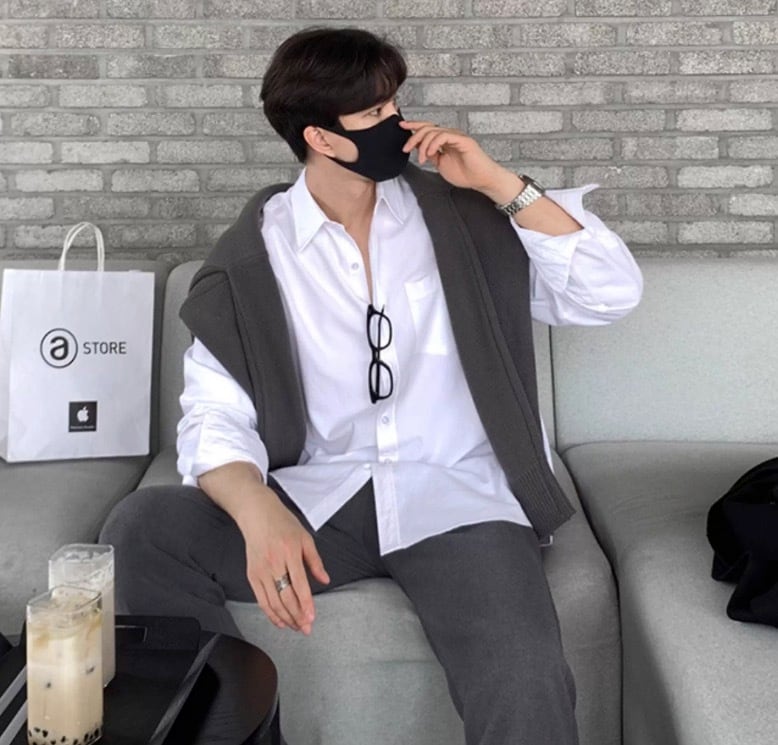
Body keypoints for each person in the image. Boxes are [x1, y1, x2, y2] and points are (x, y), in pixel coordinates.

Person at [101, 27, 642, 745]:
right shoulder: (252, 257)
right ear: (321, 138)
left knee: (523, 674)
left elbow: (610, 294)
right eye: (377, 113)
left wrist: (497, 182)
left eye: (396, 105)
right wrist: (258, 509)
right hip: (323, 497)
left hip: (460, 495)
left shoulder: (466, 218)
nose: (402, 125)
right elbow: (213, 413)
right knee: (143, 528)